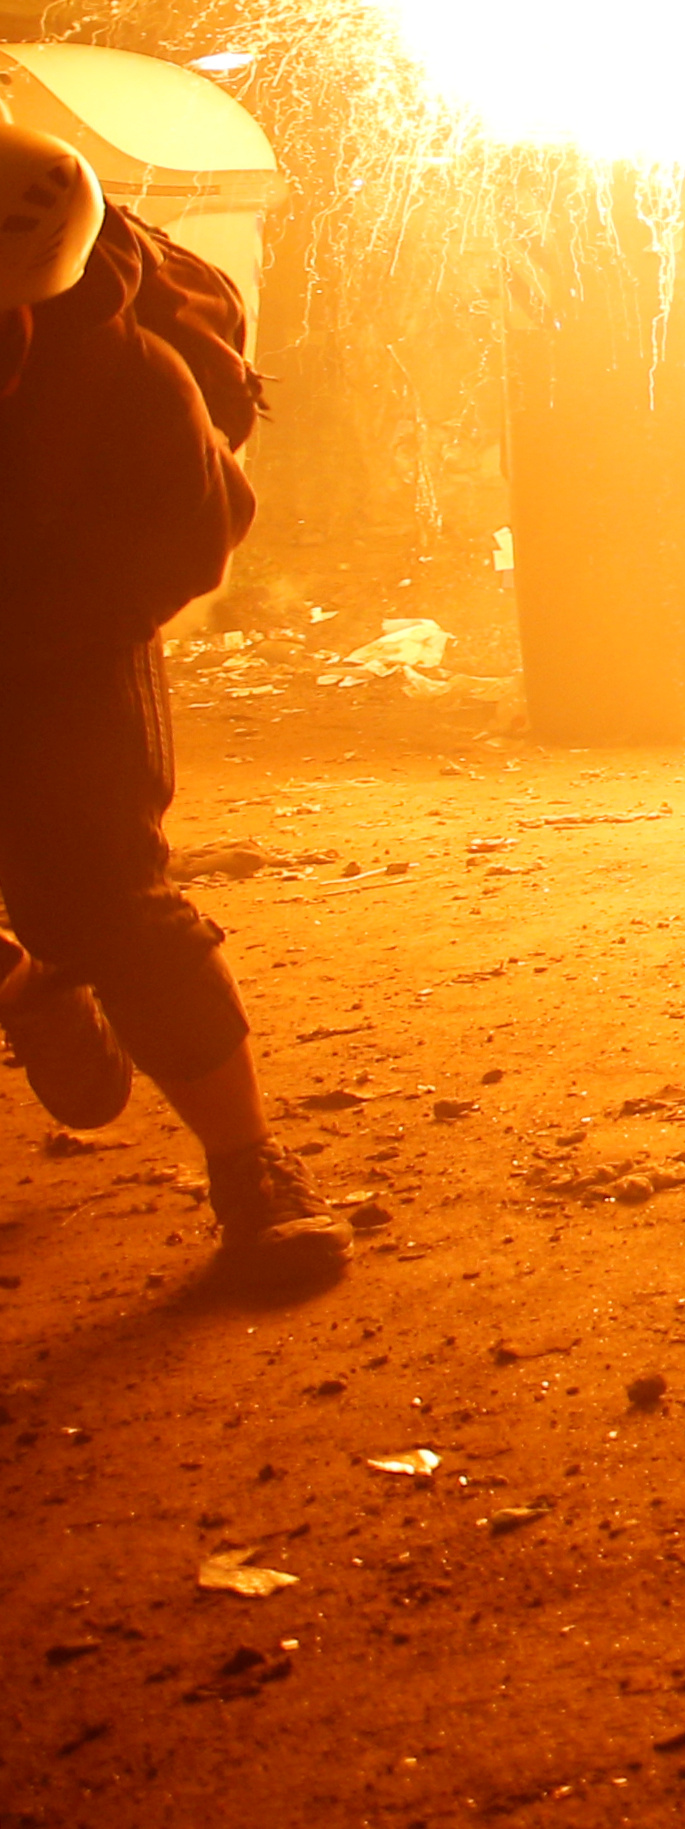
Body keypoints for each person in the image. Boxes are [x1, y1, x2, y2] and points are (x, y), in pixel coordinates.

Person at [0, 120, 350, 1301]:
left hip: (63, 642)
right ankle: (28, 977)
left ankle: (254, 1175)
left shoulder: (127, 379)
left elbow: (185, 550)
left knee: (110, 898)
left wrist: (42, 656)